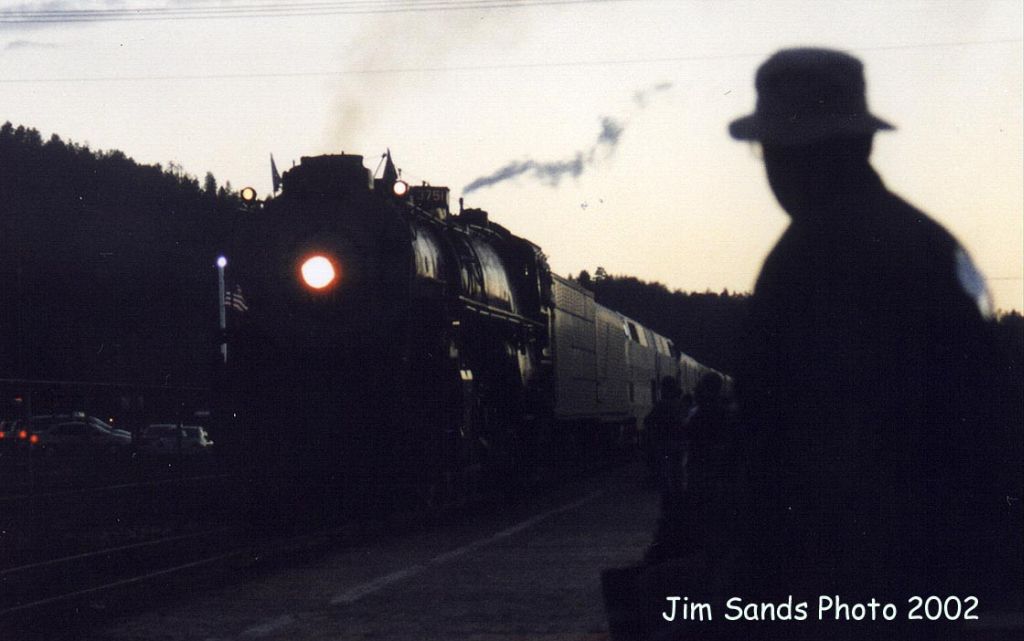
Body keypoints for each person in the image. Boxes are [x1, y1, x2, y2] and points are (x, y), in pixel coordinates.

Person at [727, 47, 1021, 633]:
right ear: (863, 141)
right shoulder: (930, 242)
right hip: (947, 566)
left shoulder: (806, 259)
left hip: (850, 577)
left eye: (769, 150)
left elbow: (784, 444)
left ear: (785, 155)